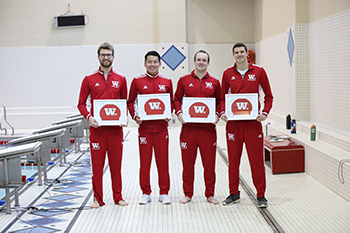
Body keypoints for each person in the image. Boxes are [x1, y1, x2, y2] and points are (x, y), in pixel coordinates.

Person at [220, 42, 273, 208]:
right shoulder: (227, 73)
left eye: (242, 52)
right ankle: (233, 193)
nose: (239, 54)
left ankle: (261, 195)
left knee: (256, 161)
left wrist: (265, 112)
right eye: (236, 52)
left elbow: (269, 96)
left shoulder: (259, 71)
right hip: (234, 125)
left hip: (252, 125)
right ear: (233, 55)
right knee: (233, 161)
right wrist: (222, 112)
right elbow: (222, 98)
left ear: (246, 54)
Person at [77, 42, 128, 208]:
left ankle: (118, 197)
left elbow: (125, 102)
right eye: (103, 55)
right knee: (97, 167)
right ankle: (97, 199)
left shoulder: (121, 79)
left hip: (115, 131)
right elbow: (81, 104)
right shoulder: (89, 79)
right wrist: (89, 117)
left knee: (116, 166)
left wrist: (124, 117)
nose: (106, 58)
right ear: (98, 57)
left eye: (109, 54)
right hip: (97, 130)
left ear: (113, 57)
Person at [174, 50, 221, 205]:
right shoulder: (184, 80)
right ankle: (188, 194)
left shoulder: (214, 82)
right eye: (199, 59)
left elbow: (220, 101)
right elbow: (176, 99)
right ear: (194, 62)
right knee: (188, 164)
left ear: (208, 63)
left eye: (204, 60)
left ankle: (210, 194)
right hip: (189, 130)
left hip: (208, 131)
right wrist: (179, 113)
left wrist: (217, 114)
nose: (201, 62)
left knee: (209, 165)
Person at [127, 50, 173, 205]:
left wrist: (169, 113)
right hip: (145, 130)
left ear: (160, 64)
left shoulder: (167, 81)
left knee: (163, 162)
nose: (152, 64)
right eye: (149, 62)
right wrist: (135, 116)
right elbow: (130, 101)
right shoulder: (137, 81)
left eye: (155, 62)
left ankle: (164, 192)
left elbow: (171, 102)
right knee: (144, 163)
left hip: (161, 129)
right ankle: (146, 192)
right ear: (145, 64)